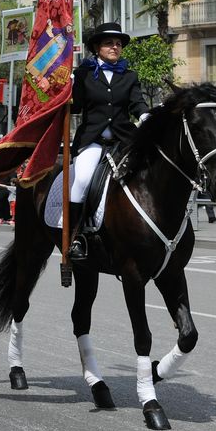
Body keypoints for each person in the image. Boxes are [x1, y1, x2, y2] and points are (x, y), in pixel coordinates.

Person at [68, 23, 149, 262]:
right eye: (109, 43)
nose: (115, 47)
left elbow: (138, 103)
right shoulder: (83, 73)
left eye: (118, 43)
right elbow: (77, 107)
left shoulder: (129, 75)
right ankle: (77, 236)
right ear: (96, 47)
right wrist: (66, 88)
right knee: (82, 180)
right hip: (93, 141)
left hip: (123, 139)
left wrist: (146, 115)